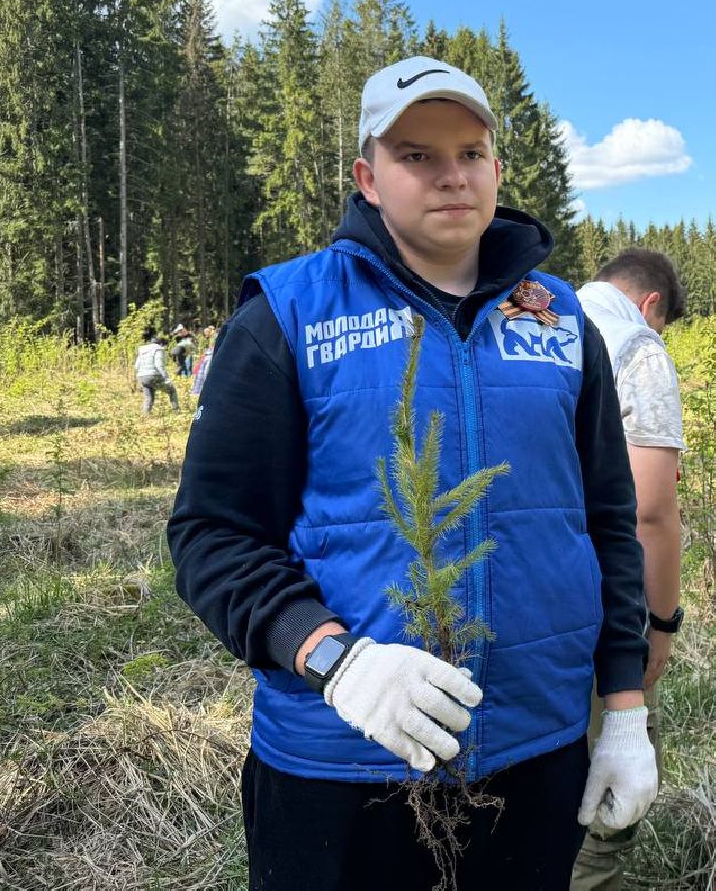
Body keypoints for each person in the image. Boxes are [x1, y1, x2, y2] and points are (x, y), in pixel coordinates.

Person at [166, 56, 656, 890]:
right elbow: (211, 536)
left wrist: (623, 711)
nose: (451, 176)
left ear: (498, 167)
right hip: (340, 762)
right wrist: (336, 661)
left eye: (470, 151)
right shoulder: (287, 315)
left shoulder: (562, 320)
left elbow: (606, 519)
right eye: (417, 156)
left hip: (533, 753)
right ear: (367, 177)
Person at [572, 249, 687, 889]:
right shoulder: (635, 349)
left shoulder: (528, 315)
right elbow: (649, 510)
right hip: (597, 603)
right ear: (650, 306)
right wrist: (659, 626)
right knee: (610, 790)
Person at [134, 328, 180, 414]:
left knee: (148, 397)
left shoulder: (142, 349)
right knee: (172, 390)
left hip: (142, 376)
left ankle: (145, 416)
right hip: (153, 375)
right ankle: (176, 411)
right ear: (162, 344)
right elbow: (159, 365)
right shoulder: (158, 349)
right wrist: (167, 378)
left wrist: (139, 378)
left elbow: (136, 366)